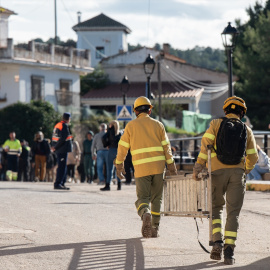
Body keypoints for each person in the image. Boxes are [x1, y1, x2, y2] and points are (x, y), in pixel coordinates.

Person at [193, 96, 258, 265]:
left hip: (216, 172)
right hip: (237, 173)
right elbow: (254, 156)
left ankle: (217, 242)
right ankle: (229, 252)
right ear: (241, 113)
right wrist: (245, 169)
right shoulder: (246, 129)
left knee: (216, 208)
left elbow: (205, 144)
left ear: (226, 110)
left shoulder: (215, 124)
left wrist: (199, 166)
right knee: (233, 213)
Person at [114, 96, 177, 238]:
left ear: (136, 111)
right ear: (149, 110)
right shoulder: (158, 125)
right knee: (156, 199)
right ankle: (154, 228)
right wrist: (171, 165)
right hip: (158, 167)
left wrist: (119, 164)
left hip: (141, 168)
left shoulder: (130, 126)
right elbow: (166, 146)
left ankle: (145, 213)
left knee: (143, 198)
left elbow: (122, 147)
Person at [51, 112, 73, 190]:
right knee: (62, 167)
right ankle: (58, 183)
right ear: (68, 119)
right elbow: (63, 139)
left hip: (60, 149)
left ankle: (62, 183)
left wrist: (54, 146)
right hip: (62, 149)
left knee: (63, 167)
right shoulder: (64, 126)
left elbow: (55, 137)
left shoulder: (58, 124)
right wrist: (56, 147)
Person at [100, 120, 122, 191]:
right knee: (118, 169)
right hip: (118, 151)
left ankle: (108, 185)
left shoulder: (110, 131)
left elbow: (103, 138)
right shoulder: (120, 133)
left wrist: (106, 144)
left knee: (109, 169)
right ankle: (119, 185)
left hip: (111, 150)